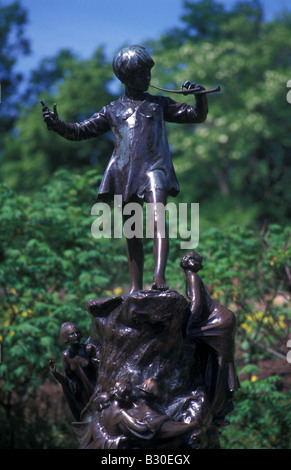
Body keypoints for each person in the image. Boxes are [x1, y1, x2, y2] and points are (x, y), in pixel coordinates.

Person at [41, 45, 208, 293]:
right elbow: (80, 131)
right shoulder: (112, 110)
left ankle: (159, 278)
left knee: (158, 219)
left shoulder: (158, 104)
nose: (148, 78)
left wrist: (199, 96)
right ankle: (134, 287)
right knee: (132, 232)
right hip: (124, 173)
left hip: (155, 169)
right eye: (142, 74)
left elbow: (196, 115)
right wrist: (57, 125)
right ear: (127, 78)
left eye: (149, 72)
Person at [180, 252, 240, 427]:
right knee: (215, 362)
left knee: (222, 365)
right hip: (218, 321)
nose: (184, 259)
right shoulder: (193, 277)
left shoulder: (192, 277)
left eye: (189, 258)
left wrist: (187, 327)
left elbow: (196, 306)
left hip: (218, 323)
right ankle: (217, 405)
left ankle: (219, 407)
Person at [49, 322, 100, 421]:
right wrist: (55, 373)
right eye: (72, 334)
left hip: (96, 389)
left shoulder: (89, 349)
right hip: (83, 395)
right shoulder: (66, 355)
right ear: (66, 337)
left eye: (77, 333)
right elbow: (69, 378)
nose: (75, 336)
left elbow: (100, 368)